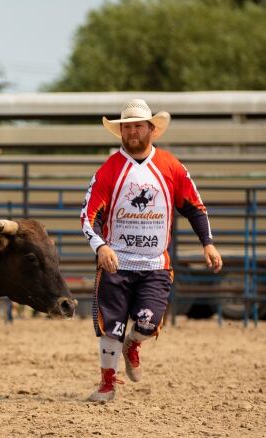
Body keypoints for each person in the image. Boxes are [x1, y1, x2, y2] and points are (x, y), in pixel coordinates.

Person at [81, 98, 223, 401]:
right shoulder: (109, 170)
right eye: (127, 127)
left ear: (151, 129)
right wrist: (101, 246)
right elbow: (87, 216)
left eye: (138, 126)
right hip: (116, 264)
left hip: (155, 264)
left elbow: (195, 208)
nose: (133, 131)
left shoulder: (171, 166)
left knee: (148, 322)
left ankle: (135, 343)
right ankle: (108, 383)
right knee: (112, 326)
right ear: (121, 132)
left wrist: (207, 243)